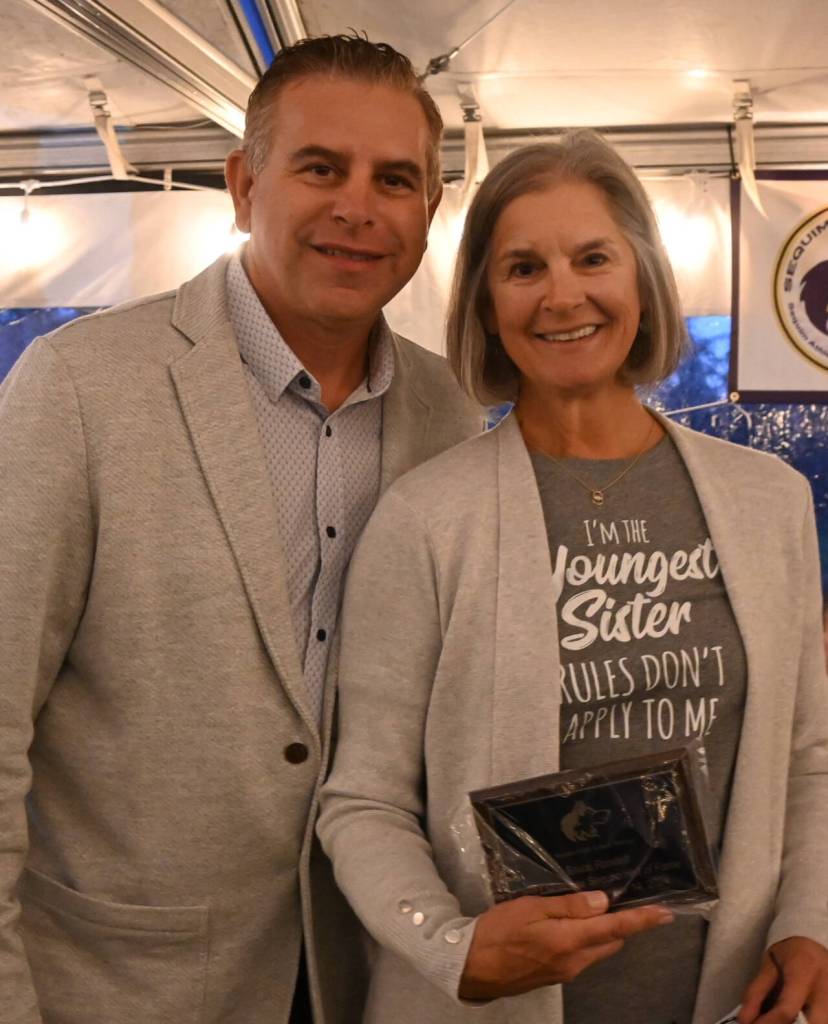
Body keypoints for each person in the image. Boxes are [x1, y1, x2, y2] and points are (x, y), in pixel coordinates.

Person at [0, 34, 481, 1024]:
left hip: (364, 969)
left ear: (428, 215)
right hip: (120, 982)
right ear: (243, 182)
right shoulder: (81, 386)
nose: (358, 204)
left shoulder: (447, 412)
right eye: (320, 167)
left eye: (395, 179)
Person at [317, 131, 828, 1024]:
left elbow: (810, 759)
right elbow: (362, 800)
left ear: (641, 278)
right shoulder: (425, 519)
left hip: (728, 997)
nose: (563, 295)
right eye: (523, 268)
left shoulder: (769, 502)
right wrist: (452, 944)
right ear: (484, 302)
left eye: (592, 257)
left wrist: (812, 921)